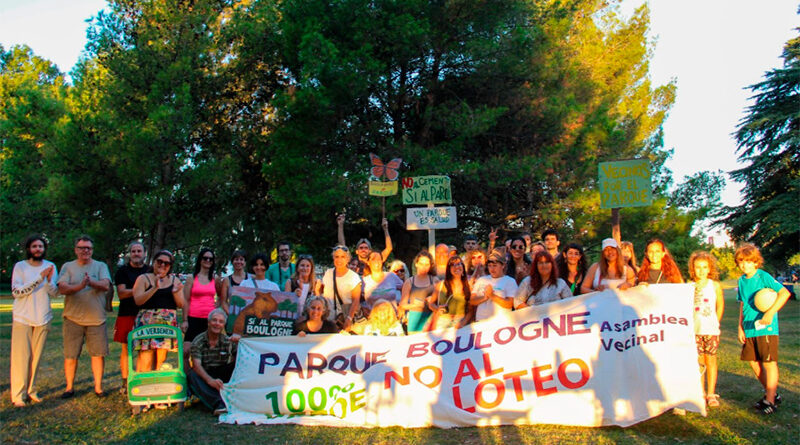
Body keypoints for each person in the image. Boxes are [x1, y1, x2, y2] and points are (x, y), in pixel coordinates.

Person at [735, 243, 791, 415]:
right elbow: (743, 303)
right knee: (754, 362)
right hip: (750, 328)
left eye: (748, 261)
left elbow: (784, 293)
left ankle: (770, 401)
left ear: (755, 262)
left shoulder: (763, 276)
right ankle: (771, 393)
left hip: (766, 328)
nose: (745, 265)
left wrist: (770, 313)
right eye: (741, 261)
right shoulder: (741, 281)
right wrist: (740, 327)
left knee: (768, 363)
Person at [57, 235, 112, 398]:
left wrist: (91, 283)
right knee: (71, 355)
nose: (85, 251)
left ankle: (98, 388)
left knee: (98, 354)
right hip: (73, 318)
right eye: (82, 248)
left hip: (96, 319)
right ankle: (69, 388)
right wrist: (80, 285)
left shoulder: (100, 266)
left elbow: (106, 285)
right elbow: (62, 288)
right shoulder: (68, 267)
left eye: (88, 248)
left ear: (92, 250)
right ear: (76, 250)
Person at [10, 235, 58, 407]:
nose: (38, 249)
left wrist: (49, 280)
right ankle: (18, 394)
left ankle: (31, 390)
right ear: (29, 249)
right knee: (21, 357)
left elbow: (54, 292)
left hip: (43, 317)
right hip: (23, 317)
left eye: (41, 246)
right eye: (34, 246)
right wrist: (39, 277)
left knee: (36, 358)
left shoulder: (50, 266)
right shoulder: (20, 267)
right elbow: (17, 292)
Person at [132, 250, 185, 372]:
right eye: (159, 262)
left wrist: (175, 292)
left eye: (166, 263)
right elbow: (138, 300)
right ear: (154, 262)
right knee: (146, 357)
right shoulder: (143, 278)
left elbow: (180, 304)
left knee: (161, 360)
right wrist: (155, 287)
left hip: (166, 325)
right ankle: (142, 385)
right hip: (147, 323)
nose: (162, 265)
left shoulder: (174, 280)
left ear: (170, 266)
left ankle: (156, 385)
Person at [113, 241, 152, 393]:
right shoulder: (122, 271)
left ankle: (142, 379)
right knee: (126, 349)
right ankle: (125, 380)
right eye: (134, 251)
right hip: (126, 314)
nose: (136, 254)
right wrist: (140, 290)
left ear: (144, 253)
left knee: (144, 349)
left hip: (145, 313)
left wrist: (136, 291)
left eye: (139, 251)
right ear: (129, 253)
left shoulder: (149, 270)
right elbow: (122, 293)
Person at [688, 251, 724, 408]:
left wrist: (717, 321)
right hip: (695, 330)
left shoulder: (714, 285)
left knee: (711, 360)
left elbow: (720, 304)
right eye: (698, 267)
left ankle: (711, 393)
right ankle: (700, 391)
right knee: (699, 361)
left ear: (710, 269)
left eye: (704, 267)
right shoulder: (689, 286)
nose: (701, 270)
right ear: (693, 268)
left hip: (711, 329)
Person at [187, 308, 238, 416]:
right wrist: (210, 380)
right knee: (192, 374)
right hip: (205, 373)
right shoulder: (198, 341)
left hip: (221, 372)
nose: (217, 324)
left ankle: (239, 398)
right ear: (209, 322)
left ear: (224, 325)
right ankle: (219, 404)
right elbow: (196, 365)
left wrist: (240, 341)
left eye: (221, 322)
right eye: (214, 320)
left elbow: (241, 357)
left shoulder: (227, 341)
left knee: (237, 365)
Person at [182, 248, 220, 367]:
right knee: (186, 351)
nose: (208, 261)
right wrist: (184, 320)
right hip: (193, 317)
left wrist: (215, 310)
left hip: (208, 319)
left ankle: (201, 378)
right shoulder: (191, 278)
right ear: (200, 260)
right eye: (205, 258)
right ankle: (187, 376)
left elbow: (220, 296)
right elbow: (185, 300)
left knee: (206, 352)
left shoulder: (215, 278)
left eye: (210, 259)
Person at [321, 246, 362, 330]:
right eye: (337, 256)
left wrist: (349, 318)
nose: (339, 260)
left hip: (345, 319)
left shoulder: (353, 277)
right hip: (329, 319)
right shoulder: (328, 273)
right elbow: (323, 295)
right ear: (333, 258)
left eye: (342, 257)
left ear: (347, 259)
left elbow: (356, 300)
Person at [471, 250, 517, 322]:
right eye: (490, 266)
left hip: (501, 322)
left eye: (495, 266)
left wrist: (492, 296)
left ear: (503, 265)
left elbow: (510, 304)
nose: (492, 269)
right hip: (481, 322)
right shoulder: (481, 280)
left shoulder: (510, 281)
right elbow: (472, 300)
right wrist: (484, 297)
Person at [429, 256, 473, 329]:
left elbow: (471, 310)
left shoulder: (469, 287)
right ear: (449, 269)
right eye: (453, 265)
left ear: (463, 266)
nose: (456, 267)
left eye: (459, 264)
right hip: (442, 321)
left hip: (460, 322)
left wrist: (463, 322)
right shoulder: (441, 285)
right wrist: (437, 309)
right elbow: (431, 303)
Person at [398, 251, 437, 334]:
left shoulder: (435, 280)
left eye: (427, 264)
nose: (424, 267)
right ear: (416, 264)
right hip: (415, 319)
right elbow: (402, 305)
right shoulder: (409, 282)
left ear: (430, 266)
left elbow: (441, 301)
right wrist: (417, 305)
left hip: (431, 318)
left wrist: (432, 301)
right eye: (421, 264)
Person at [220, 250, 249, 316]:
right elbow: (223, 302)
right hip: (232, 316)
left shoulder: (252, 278)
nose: (239, 262)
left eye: (241, 259)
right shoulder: (227, 280)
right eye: (236, 259)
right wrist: (230, 315)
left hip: (248, 317)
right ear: (232, 262)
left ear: (245, 263)